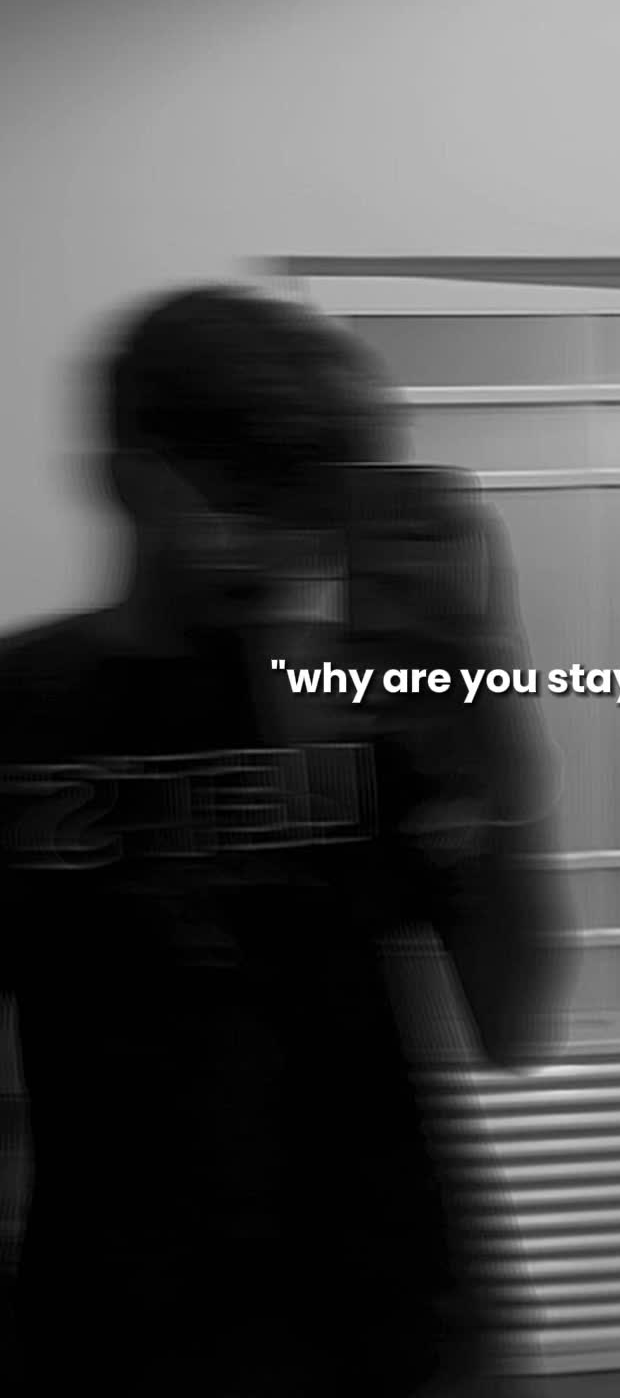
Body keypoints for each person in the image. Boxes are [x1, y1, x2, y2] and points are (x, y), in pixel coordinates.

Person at [0, 286, 575, 1396]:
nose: (278, 544)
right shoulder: (23, 709)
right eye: (243, 491)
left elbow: (513, 1023)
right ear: (127, 475)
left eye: (306, 500)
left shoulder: (384, 695)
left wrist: (488, 702)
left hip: (398, 1330)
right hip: (111, 1341)